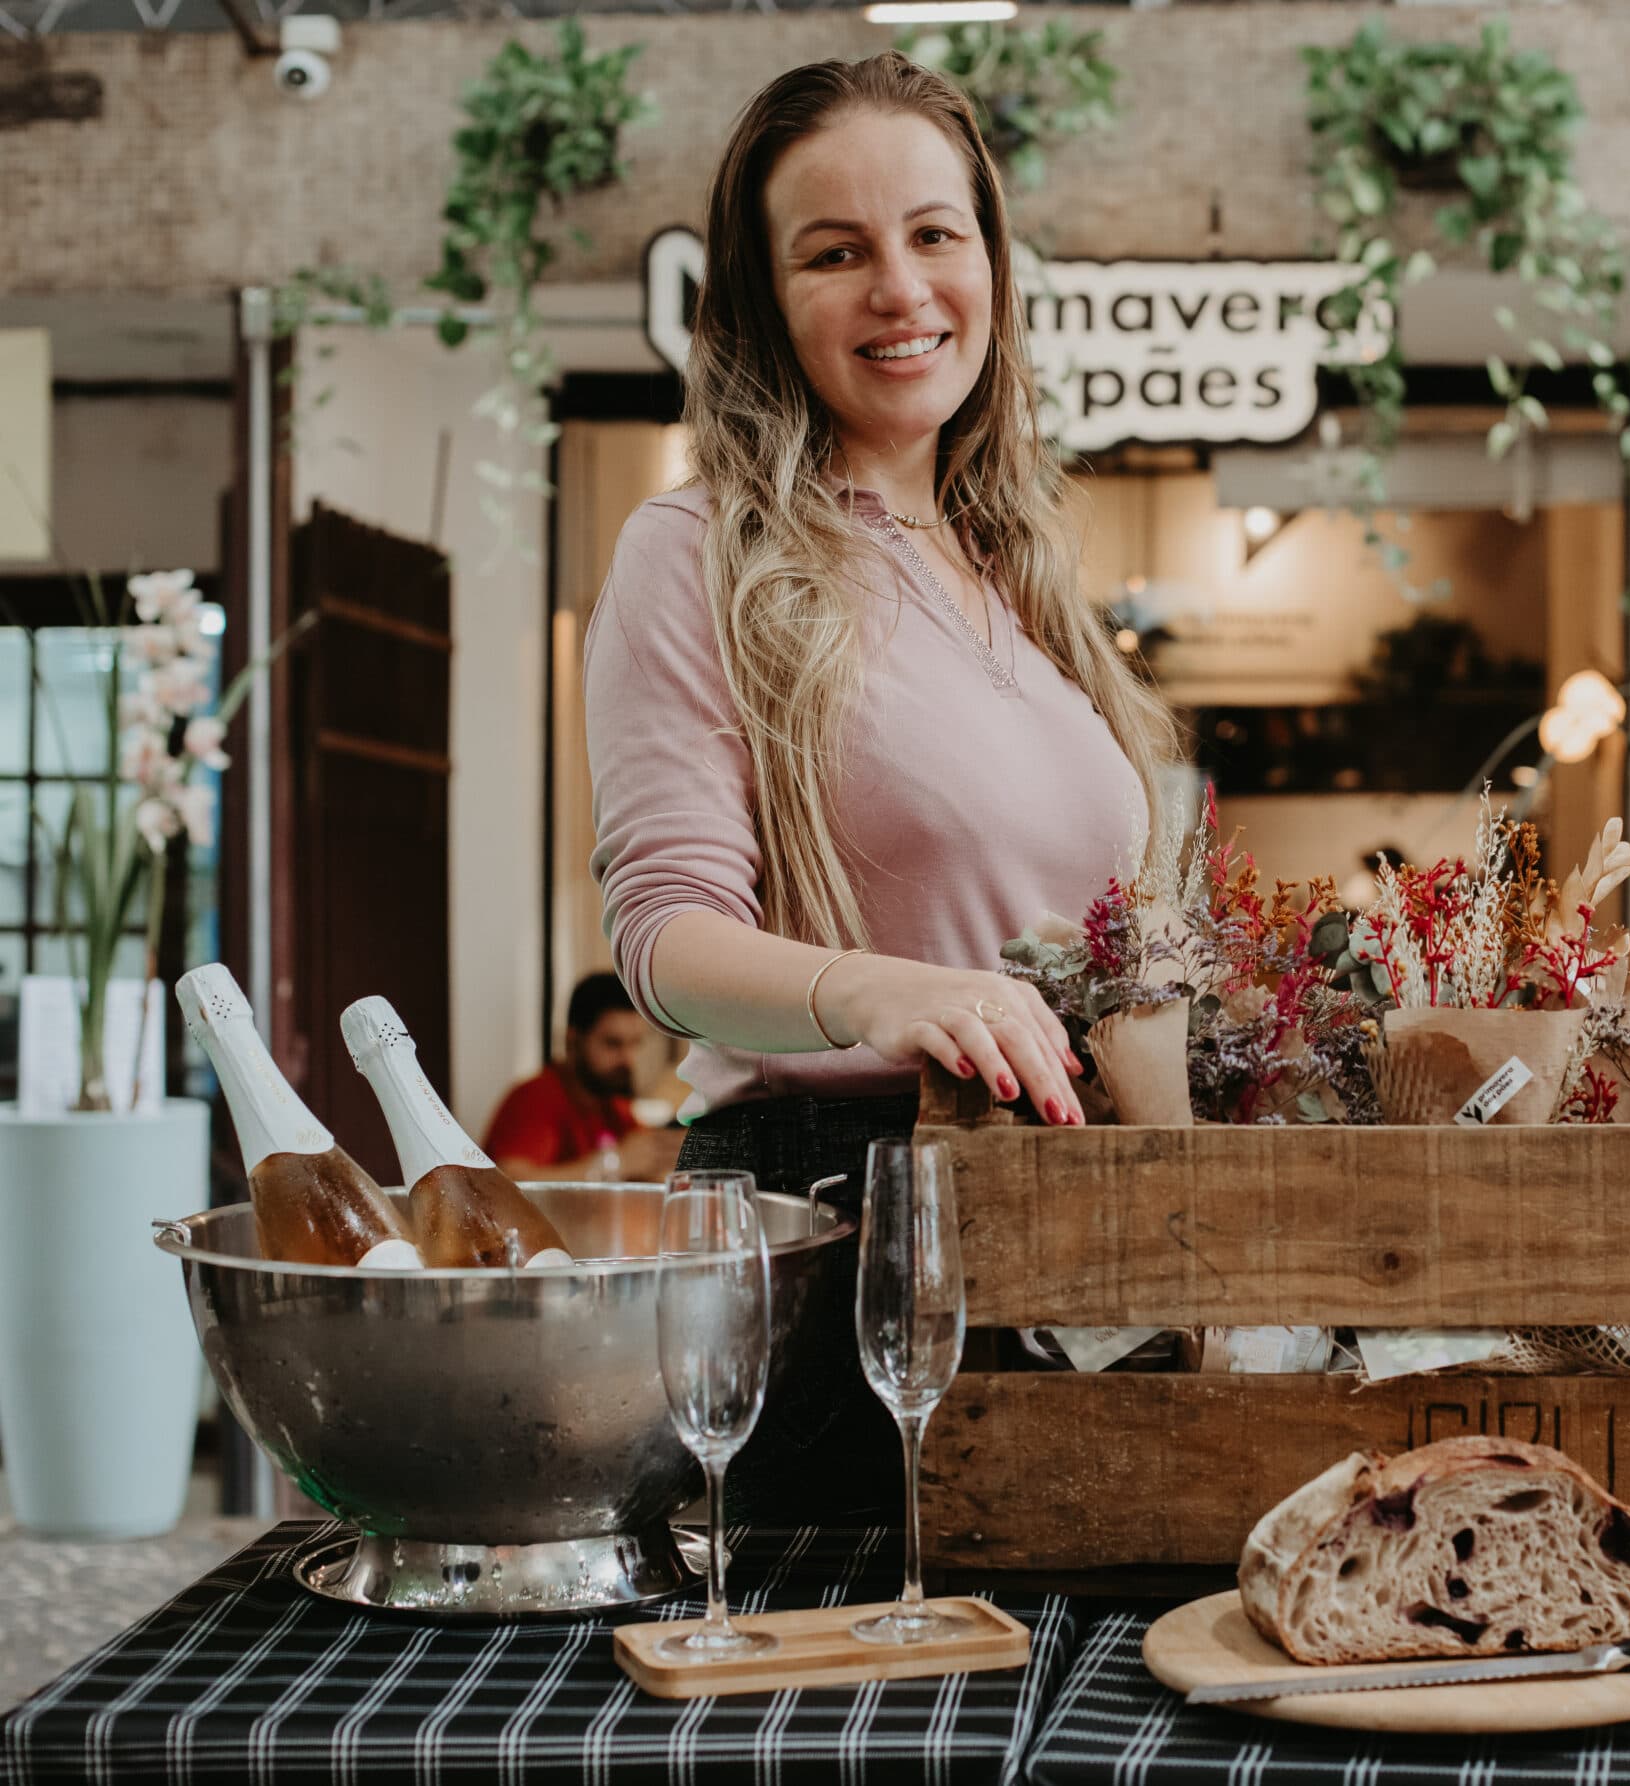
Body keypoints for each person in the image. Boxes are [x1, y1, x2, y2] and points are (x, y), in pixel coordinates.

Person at [582, 53, 1178, 1516]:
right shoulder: (697, 550)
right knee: (858, 1718)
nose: (900, 288)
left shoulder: (1015, 569)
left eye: (934, 233)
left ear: (990, 260)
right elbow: (663, 940)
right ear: (763, 300)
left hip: (1062, 1230)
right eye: (834, 252)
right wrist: (886, 990)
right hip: (831, 1227)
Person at [482, 971, 684, 1182]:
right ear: (573, 1041)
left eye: (635, 1044)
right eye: (612, 1043)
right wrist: (614, 1162)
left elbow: (645, 1164)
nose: (628, 1060)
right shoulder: (537, 1098)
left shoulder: (613, 1106)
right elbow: (511, 1182)